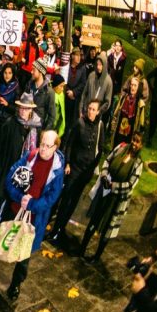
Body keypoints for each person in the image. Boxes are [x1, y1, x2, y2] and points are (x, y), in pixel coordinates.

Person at [0, 130, 65, 301]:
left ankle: (15, 284)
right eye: (41, 144)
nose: (43, 149)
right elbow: (9, 179)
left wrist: (32, 205)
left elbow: (52, 197)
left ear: (55, 147)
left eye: (47, 146)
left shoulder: (57, 169)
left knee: (24, 253)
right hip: (14, 210)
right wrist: (20, 198)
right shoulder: (30, 157)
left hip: (35, 218)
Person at [79, 133, 144, 262]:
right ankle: (81, 249)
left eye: (138, 142)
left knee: (107, 228)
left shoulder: (138, 163)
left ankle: (96, 256)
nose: (134, 144)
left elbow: (130, 184)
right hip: (104, 191)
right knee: (94, 220)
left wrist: (114, 186)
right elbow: (108, 160)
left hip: (116, 200)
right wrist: (104, 176)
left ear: (141, 145)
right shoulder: (121, 148)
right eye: (133, 140)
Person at [48, 99, 103, 246]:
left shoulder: (100, 126)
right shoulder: (80, 123)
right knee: (66, 199)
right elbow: (69, 144)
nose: (90, 112)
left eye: (93, 109)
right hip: (74, 168)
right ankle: (55, 230)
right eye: (89, 108)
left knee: (74, 202)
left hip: (86, 172)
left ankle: (62, 228)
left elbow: (100, 148)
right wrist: (67, 163)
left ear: (98, 112)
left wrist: (93, 167)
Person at [110, 76, 148, 148]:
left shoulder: (140, 104)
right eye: (131, 84)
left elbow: (141, 124)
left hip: (130, 135)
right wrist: (113, 127)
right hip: (119, 132)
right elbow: (116, 114)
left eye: (135, 85)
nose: (132, 87)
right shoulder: (123, 99)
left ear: (138, 87)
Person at [81, 52, 113, 119]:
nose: (98, 67)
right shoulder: (91, 75)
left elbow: (107, 102)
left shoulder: (108, 81)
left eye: (100, 65)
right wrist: (81, 109)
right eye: (97, 64)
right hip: (86, 111)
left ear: (104, 65)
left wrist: (98, 112)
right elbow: (84, 93)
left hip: (97, 116)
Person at [27, 58, 57, 132]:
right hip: (26, 127)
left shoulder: (49, 92)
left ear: (40, 72)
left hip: (38, 129)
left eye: (34, 70)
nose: (31, 72)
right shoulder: (29, 85)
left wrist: (44, 132)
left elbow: (52, 116)